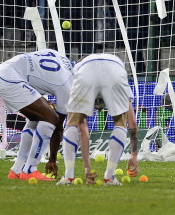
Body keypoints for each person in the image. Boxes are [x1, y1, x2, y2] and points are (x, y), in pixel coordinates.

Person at [0, 49, 73, 181]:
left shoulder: (59, 56)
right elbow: (58, 126)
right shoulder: (67, 85)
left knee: (36, 119)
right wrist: (52, 159)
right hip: (10, 79)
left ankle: (17, 169)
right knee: (51, 118)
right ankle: (30, 169)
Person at [58, 53, 138, 186]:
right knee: (120, 122)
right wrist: (134, 154)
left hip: (86, 72)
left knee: (72, 121)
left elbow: (82, 128)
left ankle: (68, 177)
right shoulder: (122, 78)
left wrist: (87, 167)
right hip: (115, 70)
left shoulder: (75, 73)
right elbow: (132, 122)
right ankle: (109, 178)